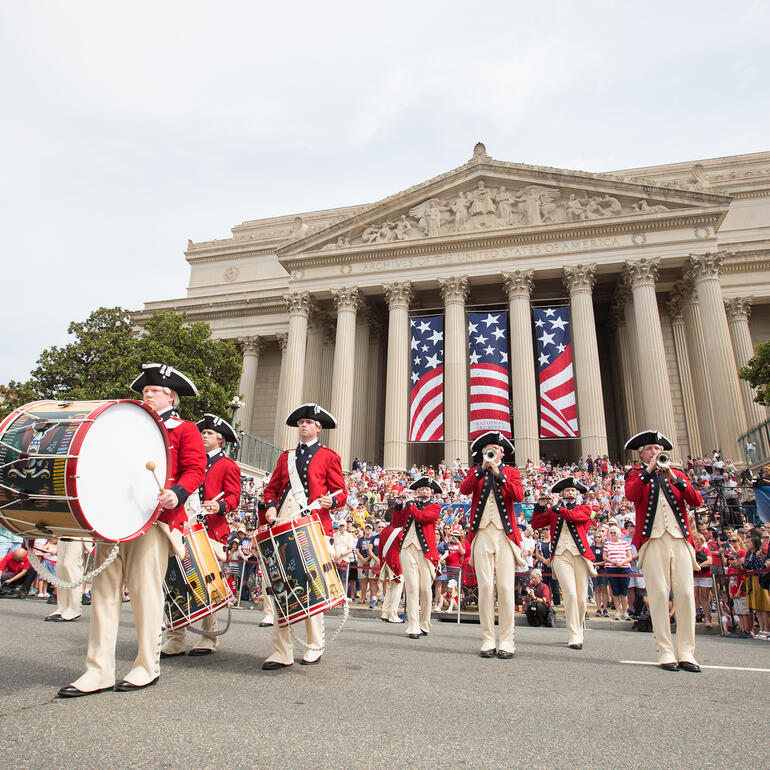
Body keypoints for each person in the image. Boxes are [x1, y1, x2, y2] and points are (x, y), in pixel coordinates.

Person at [57, 363, 206, 697]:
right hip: (113, 518)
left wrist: (176, 493)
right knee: (103, 594)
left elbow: (195, 470)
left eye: (153, 391)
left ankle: (146, 666)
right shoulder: (125, 426)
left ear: (171, 396)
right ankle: (98, 671)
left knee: (145, 594)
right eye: (144, 390)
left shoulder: (185, 430)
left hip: (153, 520)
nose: (146, 395)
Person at [259, 403, 347, 669]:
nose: (304, 426)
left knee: (311, 583)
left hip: (313, 525)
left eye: (309, 423)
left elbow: (341, 492)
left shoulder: (328, 456)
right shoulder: (284, 457)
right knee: (279, 585)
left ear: (319, 428)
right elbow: (271, 490)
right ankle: (281, 651)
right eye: (301, 423)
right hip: (284, 521)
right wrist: (271, 506)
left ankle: (314, 644)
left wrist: (330, 502)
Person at [161, 413, 241, 658]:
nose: (203, 436)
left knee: (207, 586)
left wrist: (220, 506)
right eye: (202, 432)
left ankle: (209, 636)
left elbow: (234, 497)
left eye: (208, 433)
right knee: (174, 582)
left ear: (220, 440)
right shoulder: (188, 459)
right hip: (182, 524)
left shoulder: (228, 465)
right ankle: (175, 638)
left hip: (210, 531)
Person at [624, 430, 704, 672]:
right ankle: (665, 651)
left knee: (685, 595)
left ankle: (687, 652)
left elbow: (696, 500)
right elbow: (631, 494)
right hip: (653, 540)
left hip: (679, 540)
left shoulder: (677, 474)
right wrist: (649, 471)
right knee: (658, 595)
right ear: (641, 455)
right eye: (650, 449)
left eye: (657, 449)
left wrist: (675, 477)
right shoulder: (636, 475)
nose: (655, 452)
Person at [458, 432, 525, 659]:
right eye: (488, 450)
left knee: (505, 589)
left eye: (495, 449)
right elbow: (464, 490)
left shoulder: (512, 472)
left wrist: (499, 474)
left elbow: (518, 496)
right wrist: (481, 469)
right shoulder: (475, 473)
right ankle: (488, 638)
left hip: (505, 536)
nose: (492, 453)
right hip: (482, 534)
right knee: (485, 588)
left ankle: (506, 640)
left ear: (502, 452)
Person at [531, 477, 597, 650]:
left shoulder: (585, 508)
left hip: (580, 554)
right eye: (567, 491)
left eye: (573, 491)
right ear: (562, 493)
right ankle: (573, 633)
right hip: (560, 554)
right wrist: (540, 506)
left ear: (577, 493)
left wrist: (558, 508)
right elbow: (537, 523)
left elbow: (575, 517)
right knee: (571, 594)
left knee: (581, 597)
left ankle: (579, 627)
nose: (570, 493)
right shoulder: (554, 510)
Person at [393, 477, 441, 639]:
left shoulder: (435, 506)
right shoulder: (409, 505)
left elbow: (422, 518)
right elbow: (396, 522)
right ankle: (413, 625)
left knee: (425, 589)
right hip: (407, 547)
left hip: (426, 551)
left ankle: (425, 623)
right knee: (412, 587)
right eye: (420, 489)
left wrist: (410, 504)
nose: (422, 491)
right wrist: (399, 504)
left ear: (431, 492)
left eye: (426, 490)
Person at [46, 539, 87, 622]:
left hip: (77, 533)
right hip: (63, 533)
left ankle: (74, 608)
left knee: (70, 566)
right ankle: (62, 607)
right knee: (60, 566)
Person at [378, 511, 404, 623]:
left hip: (386, 561)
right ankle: (393, 614)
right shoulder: (400, 531)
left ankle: (385, 612)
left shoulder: (384, 530)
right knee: (397, 588)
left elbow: (380, 549)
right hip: (396, 563)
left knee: (390, 588)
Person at [604, 525, 634, 619]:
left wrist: (622, 562)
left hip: (624, 568)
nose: (613, 534)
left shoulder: (625, 543)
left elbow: (630, 557)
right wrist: (613, 562)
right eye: (611, 533)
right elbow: (604, 557)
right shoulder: (607, 544)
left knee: (624, 592)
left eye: (615, 533)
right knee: (615, 591)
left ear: (619, 534)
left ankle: (625, 612)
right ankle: (617, 612)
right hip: (612, 568)